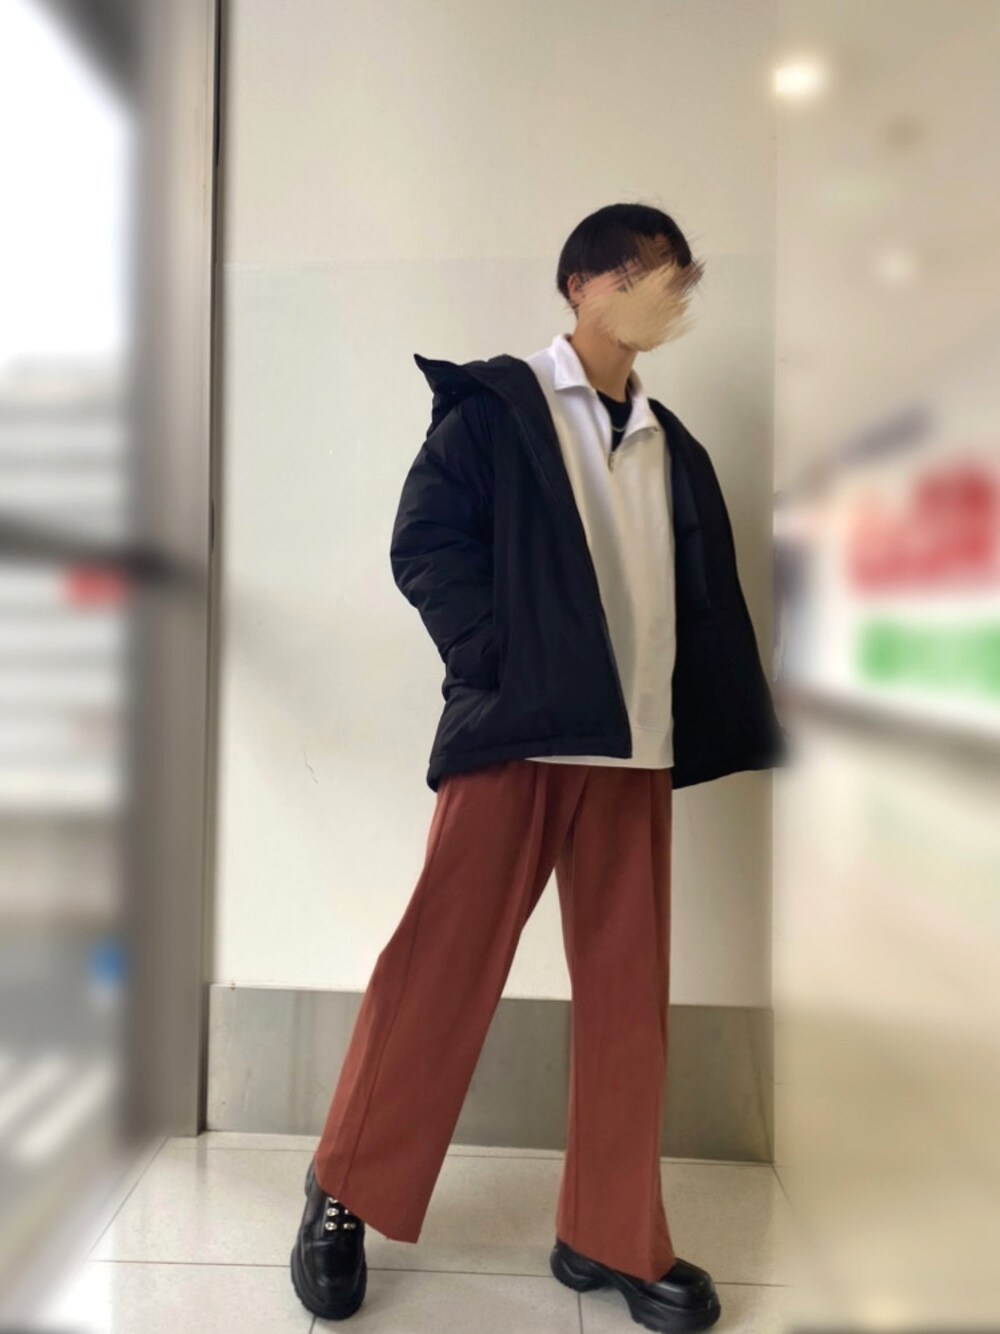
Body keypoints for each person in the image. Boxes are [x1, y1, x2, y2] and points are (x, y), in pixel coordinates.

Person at [290, 203, 785, 1331]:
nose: (666, 295)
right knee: (439, 969)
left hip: (632, 749)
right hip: (517, 737)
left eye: (678, 278)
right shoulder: (498, 407)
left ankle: (608, 1229)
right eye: (645, 273)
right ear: (581, 284)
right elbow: (426, 543)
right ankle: (342, 1184)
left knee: (627, 1000)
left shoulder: (671, 443)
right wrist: (496, 662)